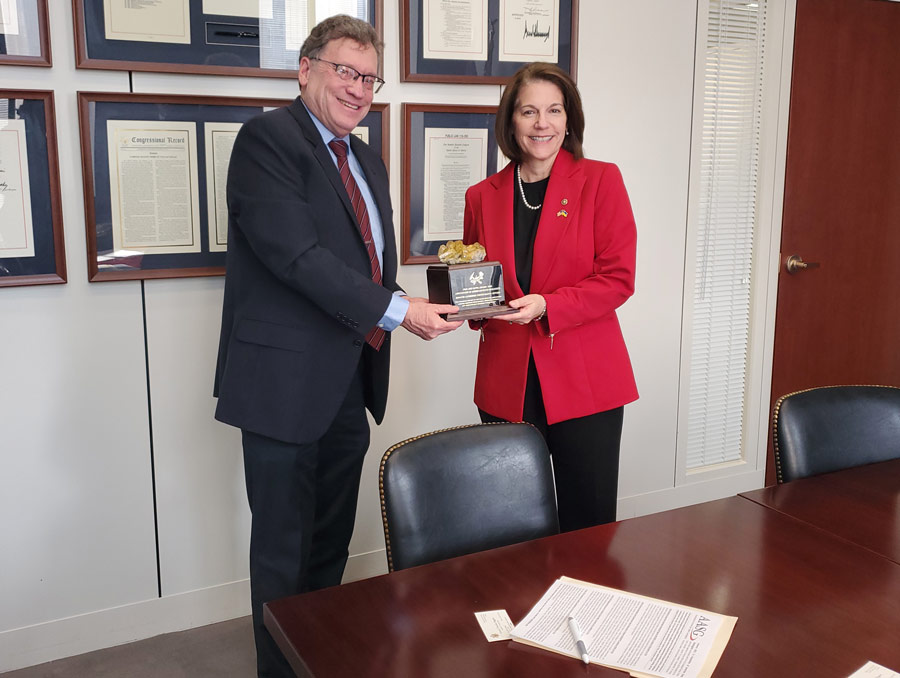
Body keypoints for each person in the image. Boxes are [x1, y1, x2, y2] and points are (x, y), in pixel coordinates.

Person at [213, 15, 461, 677]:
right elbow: (297, 257)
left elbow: (370, 267)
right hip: (281, 390)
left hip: (348, 386)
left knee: (328, 550)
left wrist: (421, 297)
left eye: (369, 77)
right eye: (344, 70)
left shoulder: (368, 158)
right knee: (281, 555)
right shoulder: (267, 141)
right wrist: (402, 311)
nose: (358, 88)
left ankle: (314, 663)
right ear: (305, 69)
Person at [463, 62, 638, 533]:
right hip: (507, 383)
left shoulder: (601, 180)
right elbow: (478, 284)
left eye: (554, 110)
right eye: (529, 111)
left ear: (569, 118)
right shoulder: (482, 195)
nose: (543, 123)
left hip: (586, 383)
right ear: (511, 121)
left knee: (589, 524)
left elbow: (618, 278)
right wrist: (469, 305)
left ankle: (591, 610)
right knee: (511, 523)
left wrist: (549, 306)